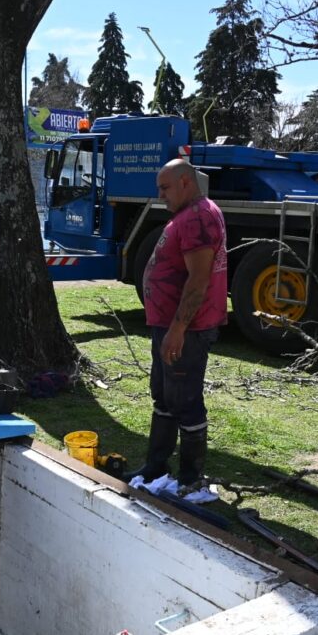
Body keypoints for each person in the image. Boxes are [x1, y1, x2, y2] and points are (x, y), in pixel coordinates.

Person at [127, 158, 228, 488]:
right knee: (164, 395)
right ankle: (155, 468)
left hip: (188, 330)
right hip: (169, 326)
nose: (161, 195)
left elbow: (198, 281)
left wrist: (178, 329)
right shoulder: (188, 215)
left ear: (186, 182)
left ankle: (190, 479)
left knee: (185, 400)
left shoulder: (199, 217)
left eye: (165, 188)